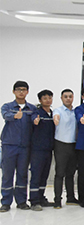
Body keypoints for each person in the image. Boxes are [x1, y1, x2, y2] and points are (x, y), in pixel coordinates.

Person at [1, 81, 35, 212]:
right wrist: (15, 116)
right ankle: (6, 202)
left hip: (25, 146)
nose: (21, 92)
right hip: (9, 145)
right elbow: (5, 115)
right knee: (7, 174)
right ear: (13, 91)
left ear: (27, 92)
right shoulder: (7, 106)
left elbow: (35, 119)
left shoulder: (31, 108)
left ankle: (21, 201)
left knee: (22, 174)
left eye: (24, 89)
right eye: (18, 89)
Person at [29, 89, 55, 211]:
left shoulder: (52, 114)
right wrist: (35, 120)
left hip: (48, 150)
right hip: (37, 150)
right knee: (36, 175)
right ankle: (34, 201)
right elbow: (34, 118)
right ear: (40, 100)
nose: (48, 100)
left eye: (50, 98)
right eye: (45, 98)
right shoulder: (37, 112)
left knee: (44, 175)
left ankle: (41, 198)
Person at [52, 88, 78, 209]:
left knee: (71, 173)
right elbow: (56, 116)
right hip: (61, 145)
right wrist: (56, 119)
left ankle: (70, 198)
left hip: (73, 145)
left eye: (70, 96)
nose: (68, 99)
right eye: (65, 97)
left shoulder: (76, 112)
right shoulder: (58, 110)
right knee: (59, 173)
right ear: (61, 98)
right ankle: (57, 200)